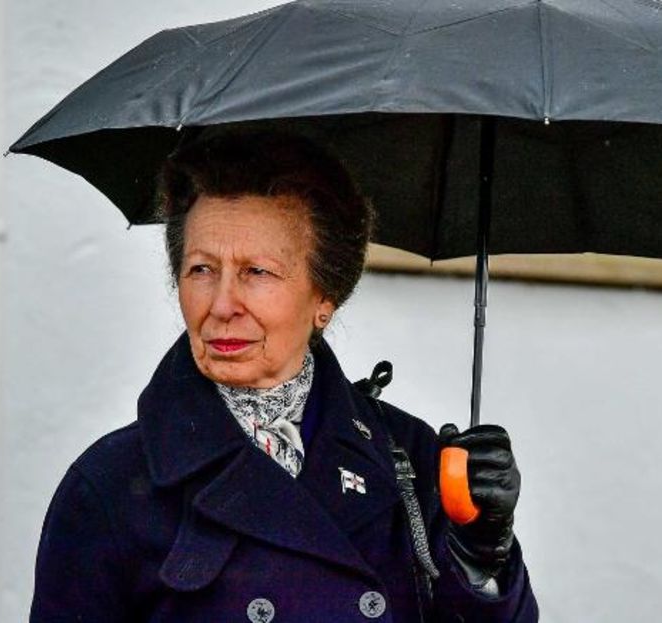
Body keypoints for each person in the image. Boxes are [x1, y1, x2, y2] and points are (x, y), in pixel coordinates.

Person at [29, 127, 539, 622]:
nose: (222, 304)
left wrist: (481, 560)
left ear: (325, 297)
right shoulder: (108, 487)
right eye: (201, 270)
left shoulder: (408, 456)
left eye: (257, 272)